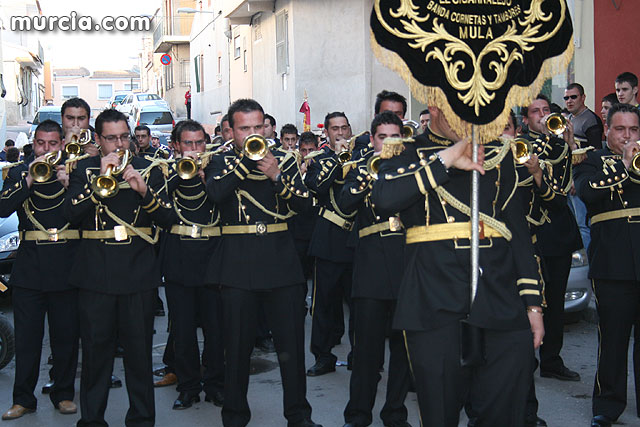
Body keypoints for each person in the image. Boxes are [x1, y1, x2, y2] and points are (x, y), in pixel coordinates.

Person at [371, 105, 544, 426]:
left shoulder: (499, 153)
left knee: (504, 409)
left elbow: (518, 233)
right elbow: (384, 199)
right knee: (440, 410)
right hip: (432, 292)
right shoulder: (405, 152)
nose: (470, 122)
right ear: (436, 106)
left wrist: (534, 305)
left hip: (499, 293)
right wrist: (446, 160)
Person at [205, 98, 320, 427]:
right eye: (245, 129)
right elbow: (215, 194)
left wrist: (277, 176)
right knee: (237, 350)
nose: (253, 133)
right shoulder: (220, 160)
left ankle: (299, 416)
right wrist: (245, 163)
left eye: (258, 127)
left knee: (291, 348)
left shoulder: (283, 158)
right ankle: (235, 417)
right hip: (238, 264)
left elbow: (304, 206)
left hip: (280, 262)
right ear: (232, 130)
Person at [64, 108, 173, 427]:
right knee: (96, 357)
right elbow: (70, 214)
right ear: (98, 140)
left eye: (124, 137)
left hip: (137, 272)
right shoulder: (83, 168)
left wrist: (143, 192)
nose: (120, 144)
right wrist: (100, 180)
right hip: (95, 273)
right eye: (111, 138)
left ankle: (141, 419)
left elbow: (167, 219)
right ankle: (92, 420)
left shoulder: (148, 168)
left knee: (139, 356)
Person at [0, 120, 80, 420]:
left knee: (66, 337)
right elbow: (3, 207)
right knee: (28, 339)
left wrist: (68, 184)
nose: (46, 150)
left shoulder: (73, 172)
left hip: (66, 264)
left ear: (61, 144)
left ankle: (63, 394)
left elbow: (84, 212)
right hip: (30, 268)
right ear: (33, 145)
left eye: (52, 144)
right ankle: (23, 399)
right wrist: (30, 180)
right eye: (41, 144)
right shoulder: (19, 173)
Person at [338, 111, 412, 427]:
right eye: (383, 137)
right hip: (371, 267)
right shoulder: (360, 170)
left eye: (395, 137)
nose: (388, 143)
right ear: (372, 140)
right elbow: (344, 204)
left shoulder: (414, 169)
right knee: (367, 352)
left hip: (409, 265)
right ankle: (358, 415)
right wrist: (371, 173)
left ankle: (395, 413)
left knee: (403, 352)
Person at [573, 103, 640, 427]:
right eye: (621, 130)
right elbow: (587, 194)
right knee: (612, 338)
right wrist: (624, 165)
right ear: (608, 131)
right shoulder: (590, 160)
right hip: (611, 262)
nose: (627, 136)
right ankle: (608, 404)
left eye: (633, 130)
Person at [162, 119, 225, 410]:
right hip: (179, 256)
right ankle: (188, 387)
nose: (195, 149)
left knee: (216, 329)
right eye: (189, 143)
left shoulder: (215, 167)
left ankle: (215, 383)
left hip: (212, 255)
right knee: (184, 330)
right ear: (176, 146)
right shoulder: (163, 169)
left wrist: (205, 177)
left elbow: (224, 199)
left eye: (200, 143)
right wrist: (181, 171)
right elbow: (156, 203)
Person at [305, 111, 357, 377]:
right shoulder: (319, 160)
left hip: (356, 240)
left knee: (359, 303)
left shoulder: (363, 156)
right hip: (329, 237)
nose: (340, 133)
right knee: (323, 303)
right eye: (334, 129)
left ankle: (359, 355)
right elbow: (317, 188)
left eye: (344, 128)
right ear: (326, 133)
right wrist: (339, 159)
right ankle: (323, 355)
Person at [564, 83, 604, 149]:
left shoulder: (591, 120)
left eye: (573, 97)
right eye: (566, 98)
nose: (569, 101)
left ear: (583, 98)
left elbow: (595, 150)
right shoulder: (567, 118)